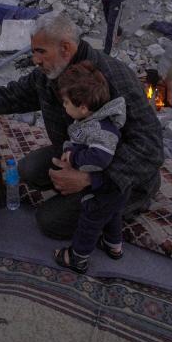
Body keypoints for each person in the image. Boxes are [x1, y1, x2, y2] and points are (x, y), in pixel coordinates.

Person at [0, 12, 163, 242]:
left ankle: (125, 205)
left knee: (49, 221)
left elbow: (150, 149)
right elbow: (14, 95)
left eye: (40, 52)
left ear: (65, 48)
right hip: (79, 153)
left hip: (118, 173)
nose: (35, 60)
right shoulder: (51, 73)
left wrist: (90, 181)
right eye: (33, 52)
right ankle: (80, 191)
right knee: (29, 170)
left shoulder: (114, 78)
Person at [53, 60, 127, 273]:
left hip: (106, 187)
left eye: (66, 103)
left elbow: (100, 158)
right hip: (115, 188)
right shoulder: (91, 120)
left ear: (83, 107)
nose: (64, 106)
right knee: (112, 214)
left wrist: (74, 157)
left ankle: (77, 258)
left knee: (90, 221)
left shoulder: (102, 129)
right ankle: (114, 246)